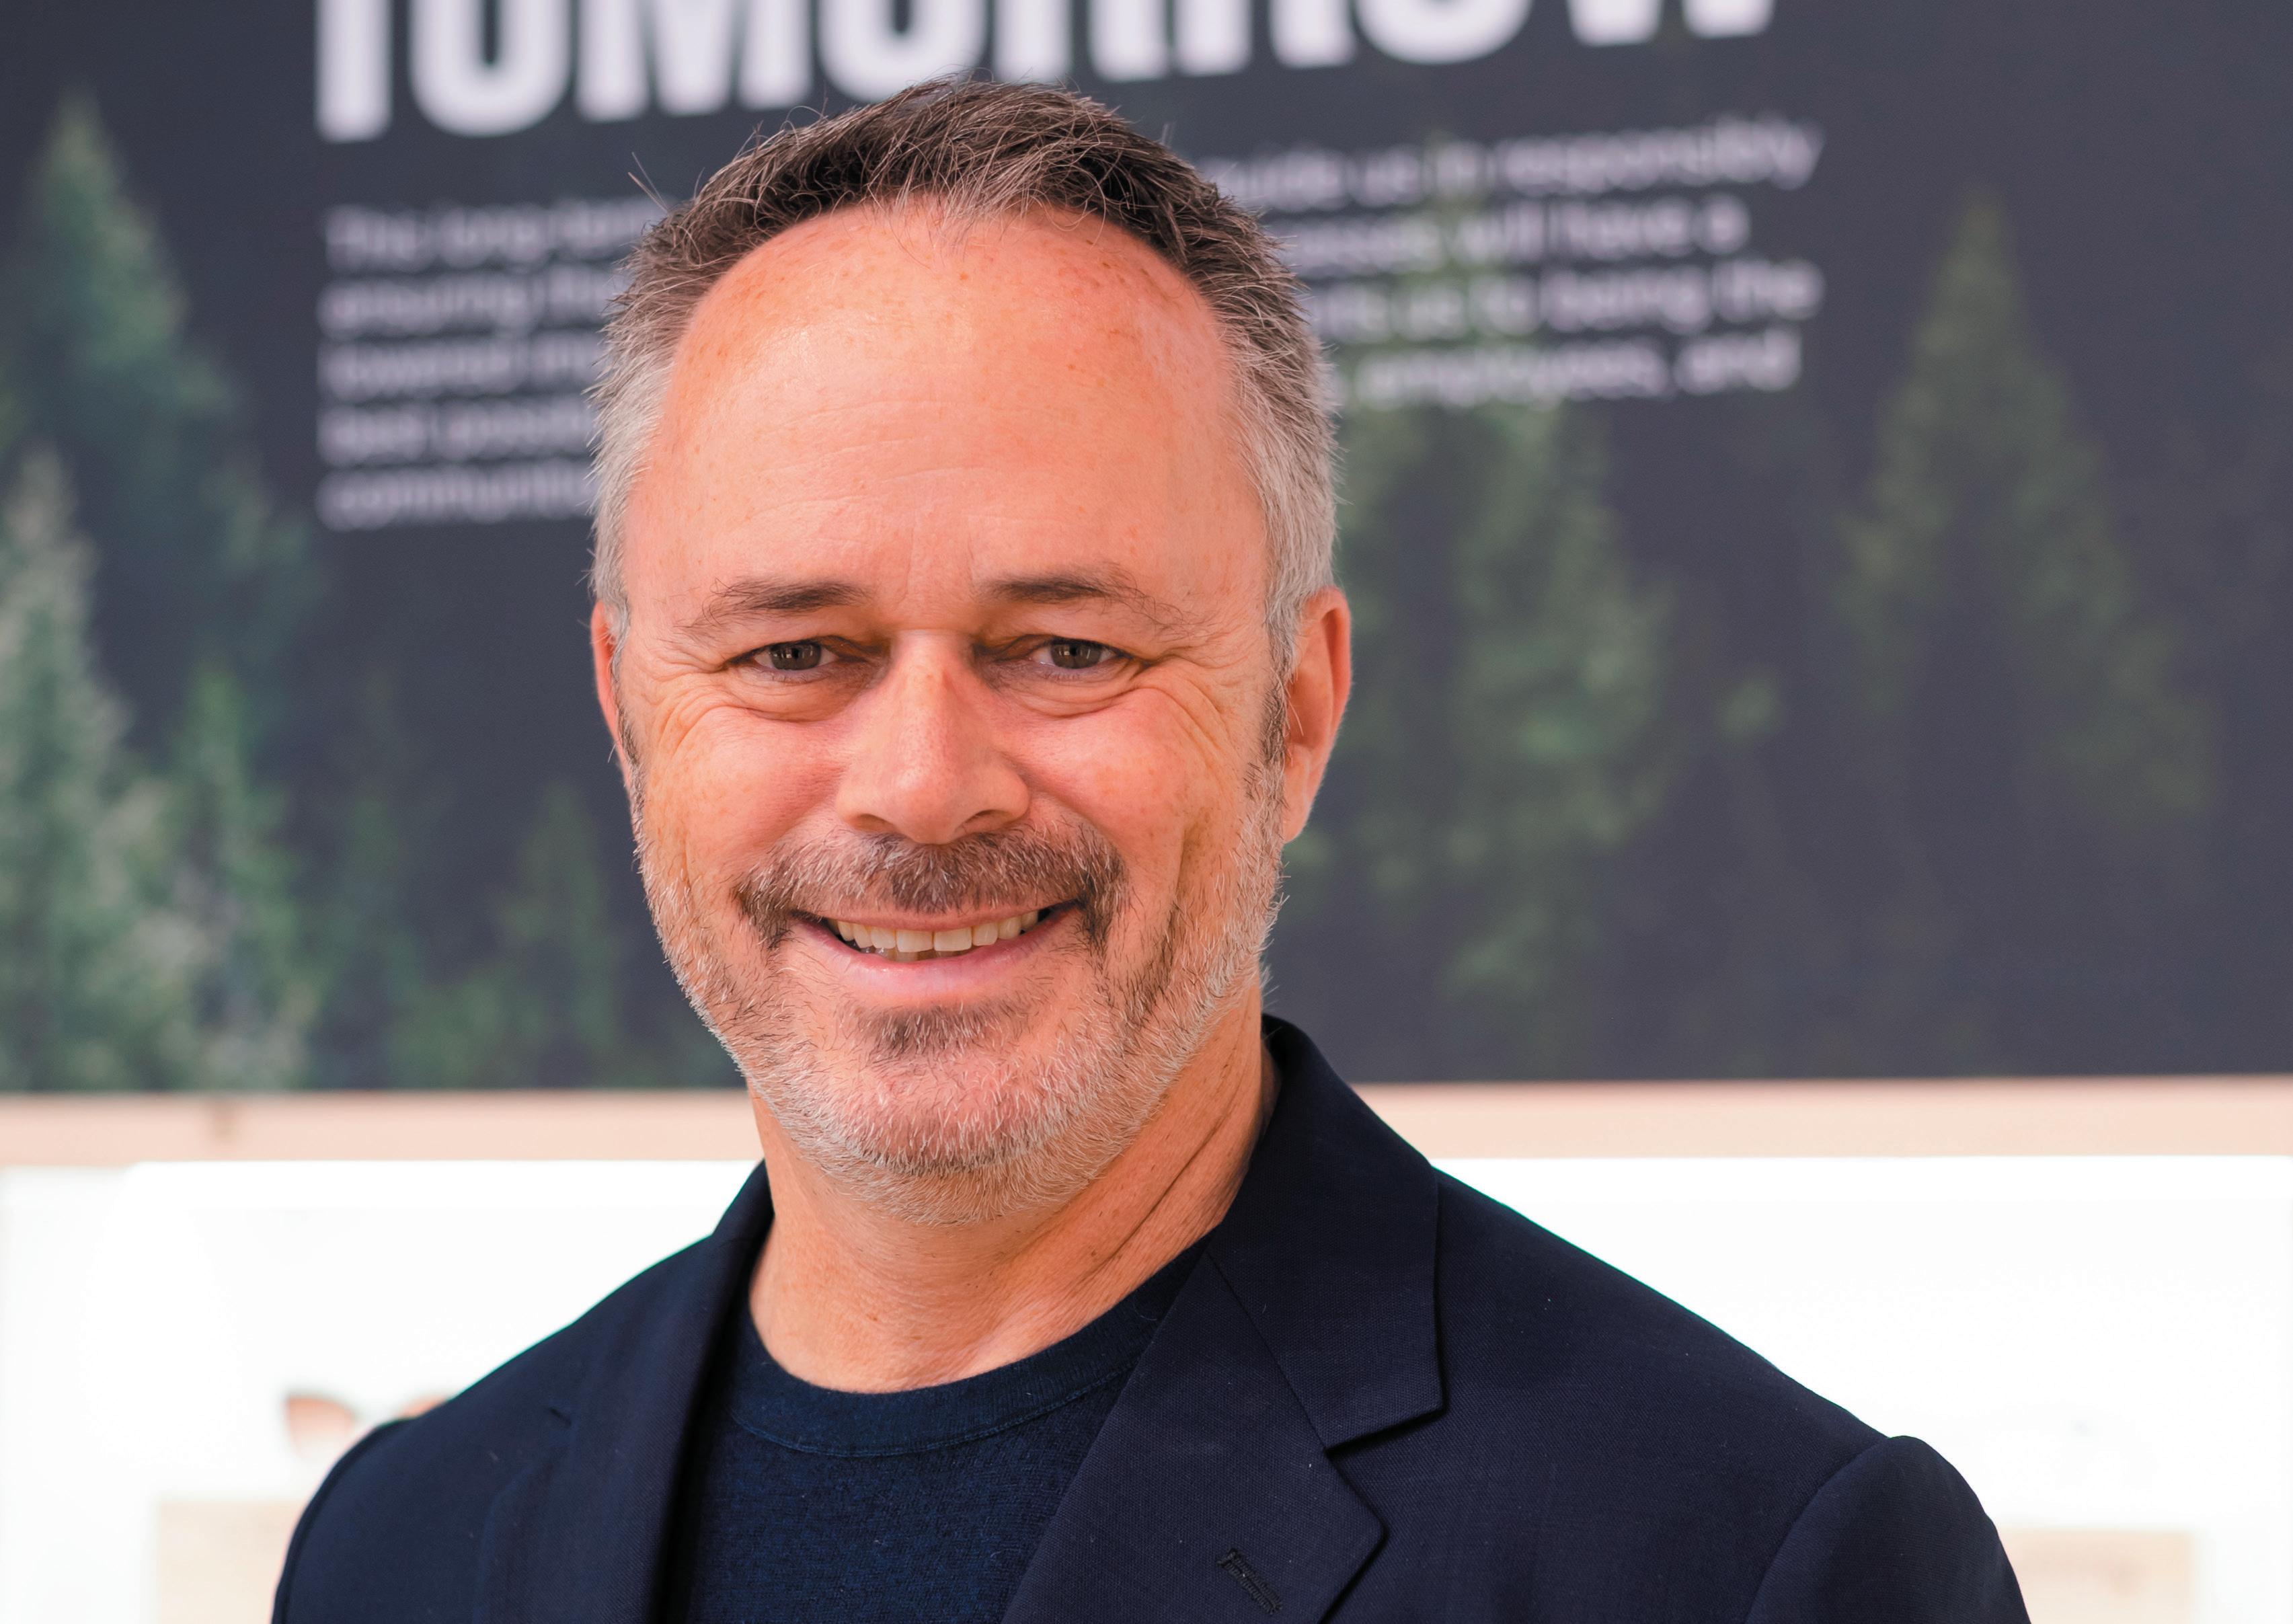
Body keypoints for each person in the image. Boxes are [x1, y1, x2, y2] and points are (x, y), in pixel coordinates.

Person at [273, 78, 2027, 1624]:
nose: (921, 787)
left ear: (1294, 716)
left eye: (1066, 648)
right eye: (792, 652)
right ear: (627, 713)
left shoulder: (1739, 1564)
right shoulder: (395, 1550)